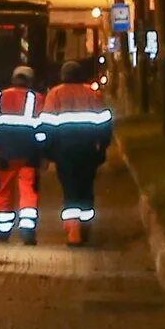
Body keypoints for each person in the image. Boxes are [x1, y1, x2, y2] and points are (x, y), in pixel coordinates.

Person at [41, 57, 116, 244]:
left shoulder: (55, 94)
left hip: (64, 150)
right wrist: (103, 146)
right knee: (86, 188)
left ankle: (73, 233)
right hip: (88, 149)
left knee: (70, 189)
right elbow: (104, 123)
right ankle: (85, 226)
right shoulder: (92, 94)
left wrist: (46, 151)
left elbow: (47, 125)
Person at [0, 64, 48, 244]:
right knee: (29, 190)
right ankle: (27, 230)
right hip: (29, 153)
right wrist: (44, 153)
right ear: (30, 81)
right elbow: (42, 130)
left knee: (3, 190)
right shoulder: (37, 98)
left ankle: (3, 231)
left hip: (5, 153)